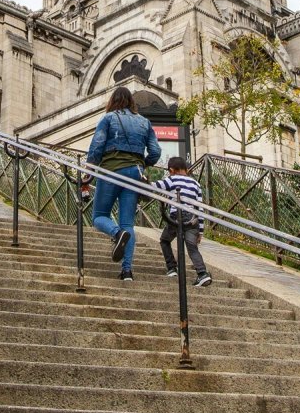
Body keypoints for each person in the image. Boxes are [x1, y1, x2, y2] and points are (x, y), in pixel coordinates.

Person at [84, 85, 162, 280]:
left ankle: (117, 234)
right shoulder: (144, 122)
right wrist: (143, 163)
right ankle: (127, 271)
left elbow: (96, 147)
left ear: (113, 101)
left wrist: (89, 172)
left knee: (99, 216)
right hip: (135, 174)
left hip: (111, 171)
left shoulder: (108, 118)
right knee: (128, 223)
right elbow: (156, 152)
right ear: (131, 102)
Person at [159, 156, 211, 287]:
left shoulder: (171, 179)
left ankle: (171, 268)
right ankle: (202, 274)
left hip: (176, 217)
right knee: (192, 248)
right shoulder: (196, 184)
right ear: (186, 169)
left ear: (171, 170)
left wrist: (142, 180)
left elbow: (156, 186)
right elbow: (200, 208)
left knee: (165, 240)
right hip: (192, 219)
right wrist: (200, 231)